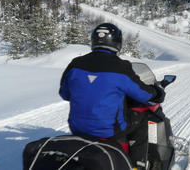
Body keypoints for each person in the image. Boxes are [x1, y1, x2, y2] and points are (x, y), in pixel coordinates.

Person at [59, 23, 165, 167]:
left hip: (77, 128)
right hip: (110, 131)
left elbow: (64, 94)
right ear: (117, 42)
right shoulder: (121, 67)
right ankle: (135, 165)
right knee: (143, 118)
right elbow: (143, 94)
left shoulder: (75, 63)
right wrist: (157, 92)